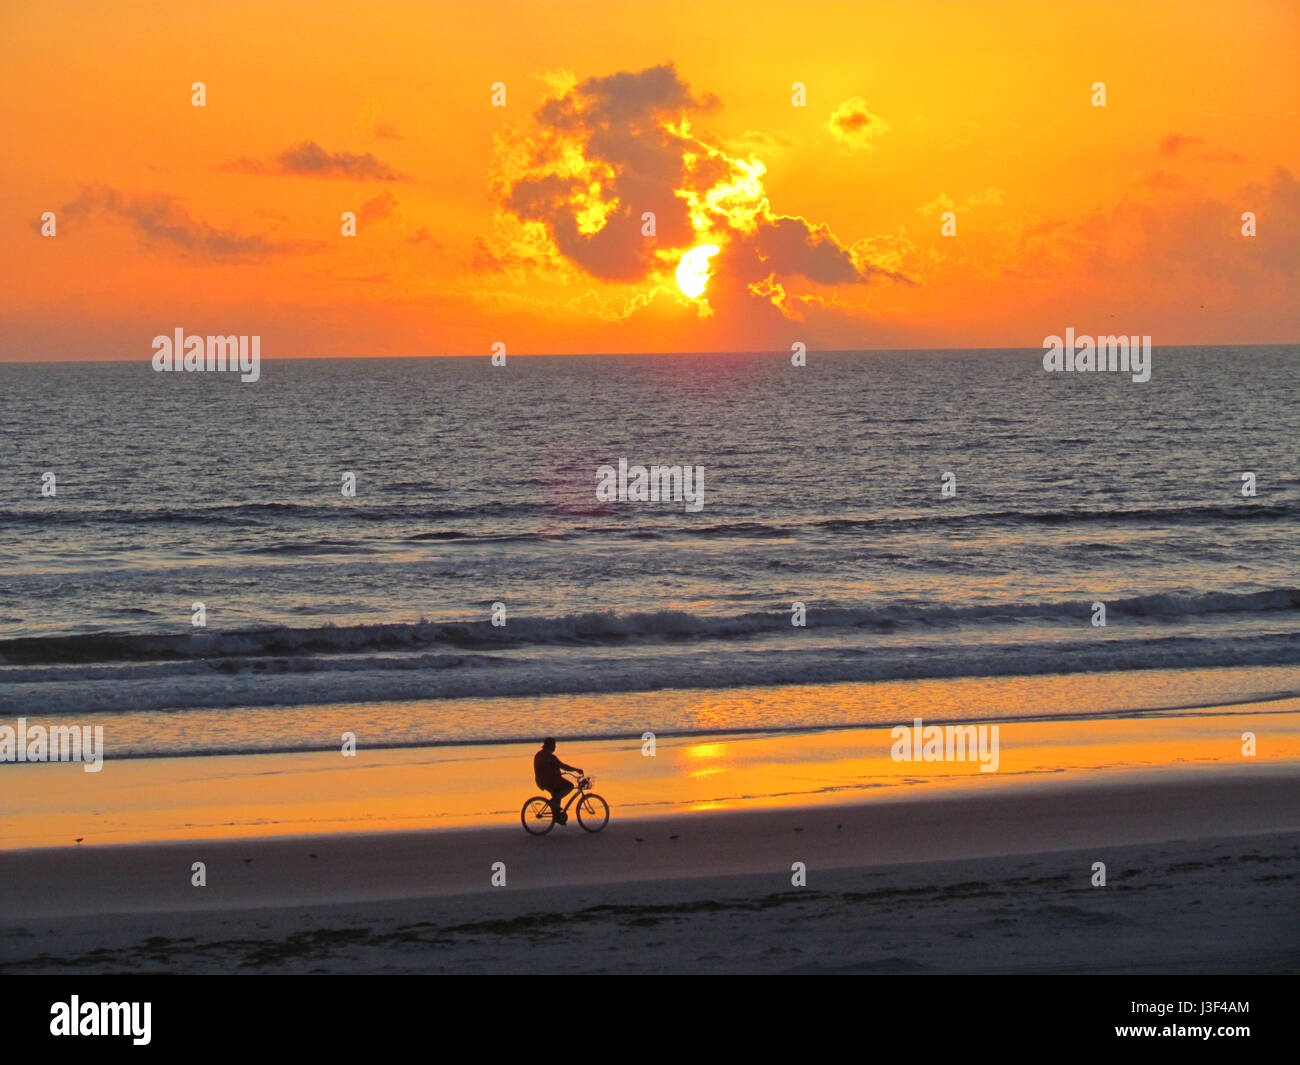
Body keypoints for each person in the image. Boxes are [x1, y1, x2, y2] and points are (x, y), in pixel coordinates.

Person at [534, 737, 582, 825]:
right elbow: (563, 766)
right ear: (550, 746)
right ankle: (554, 804)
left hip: (541, 781)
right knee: (569, 786)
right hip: (549, 780)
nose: (555, 747)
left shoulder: (539, 754)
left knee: (558, 791)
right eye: (554, 745)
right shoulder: (550, 757)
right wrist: (576, 770)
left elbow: (548, 768)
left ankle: (557, 814)